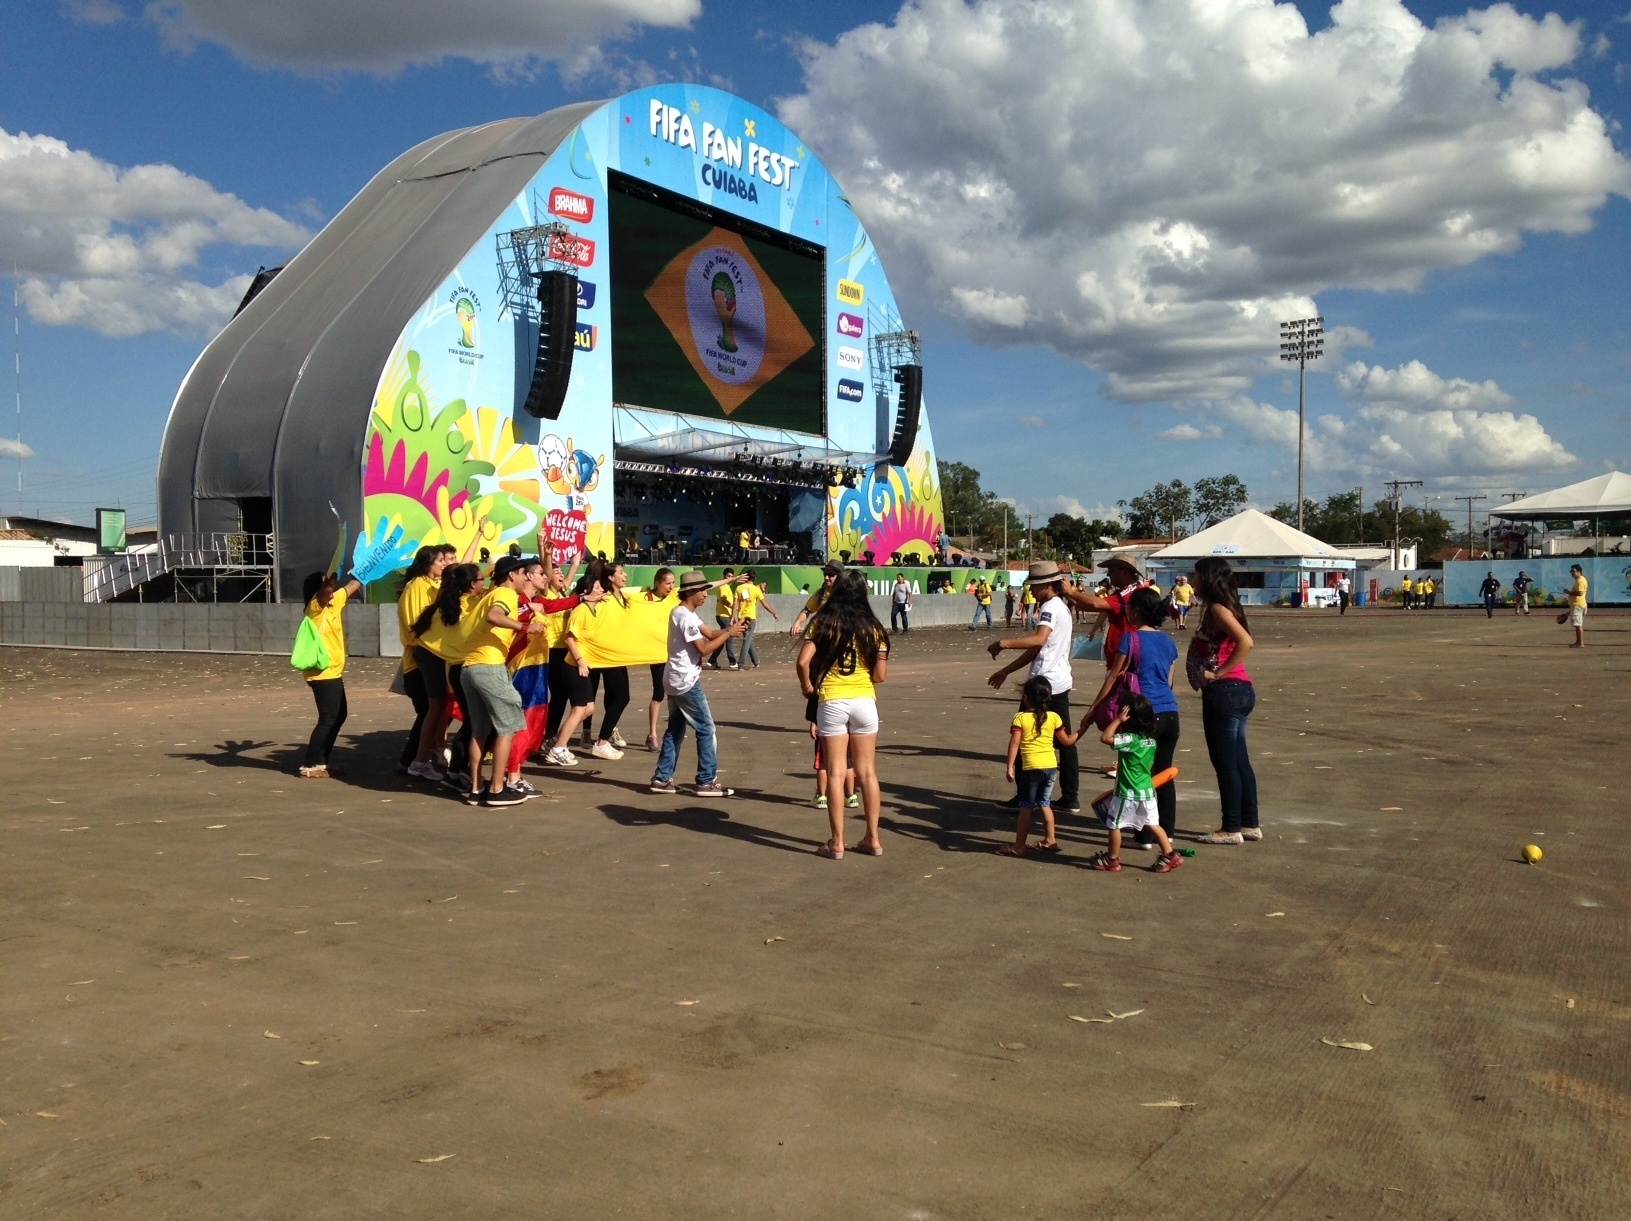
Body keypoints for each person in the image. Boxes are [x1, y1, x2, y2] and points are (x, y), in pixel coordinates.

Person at [798, 569, 889, 858]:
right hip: (864, 700)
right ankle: (872, 839)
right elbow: (880, 676)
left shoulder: (823, 622)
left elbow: (802, 662)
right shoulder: (873, 627)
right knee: (868, 773)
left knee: (836, 774)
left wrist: (808, 687)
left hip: (832, 700)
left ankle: (837, 842)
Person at [1085, 587, 1180, 847]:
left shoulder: (1131, 639)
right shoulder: (1169, 642)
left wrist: (1095, 707)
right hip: (1171, 712)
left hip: (1144, 714)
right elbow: (1170, 681)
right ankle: (1167, 832)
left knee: (1138, 773)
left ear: (1135, 611)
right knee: (1163, 773)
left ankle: (1146, 833)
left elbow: (1115, 675)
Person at [987, 561, 1083, 814]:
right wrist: (1006, 670)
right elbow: (1037, 649)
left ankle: (1024, 795)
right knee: (1064, 740)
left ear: (1046, 585)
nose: (1032, 591)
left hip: (1043, 682)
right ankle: (1070, 795)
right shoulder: (1060, 606)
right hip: (1059, 681)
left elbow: (1038, 640)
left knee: (1022, 735)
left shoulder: (1050, 607)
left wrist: (1003, 643)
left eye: (1035, 586)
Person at [455, 555, 547, 806]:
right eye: (522, 573)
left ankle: (476, 789)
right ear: (511, 576)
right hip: (489, 666)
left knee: (480, 730)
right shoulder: (505, 594)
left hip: (469, 668)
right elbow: (494, 617)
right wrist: (525, 628)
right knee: (509, 725)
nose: (525, 577)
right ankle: (496, 789)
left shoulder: (487, 596)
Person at [650, 570, 746, 797]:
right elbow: (703, 648)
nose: (706, 594)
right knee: (707, 728)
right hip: (685, 681)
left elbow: (712, 633)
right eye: (702, 591)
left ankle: (662, 779)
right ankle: (706, 781)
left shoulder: (685, 613)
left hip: (674, 679)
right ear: (690, 592)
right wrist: (729, 633)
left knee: (675, 730)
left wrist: (732, 630)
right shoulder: (684, 616)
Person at [1188, 556, 1258, 845]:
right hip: (1236, 692)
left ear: (1208, 578)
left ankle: (1231, 828)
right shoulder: (1219, 608)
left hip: (1226, 693)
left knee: (1226, 762)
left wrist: (1218, 673)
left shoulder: (1218, 609)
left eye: (1195, 576)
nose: (1191, 581)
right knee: (1239, 760)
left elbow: (1246, 642)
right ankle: (1249, 823)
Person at [1086, 694, 1183, 873]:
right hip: (1146, 791)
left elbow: (1105, 738)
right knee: (1153, 823)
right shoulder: (1151, 741)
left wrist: (1117, 720)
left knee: (1114, 824)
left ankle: (1112, 859)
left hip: (1127, 792)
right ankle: (1170, 854)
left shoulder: (1130, 740)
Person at [997, 676, 1085, 857]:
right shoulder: (1053, 717)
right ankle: (1050, 839)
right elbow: (1067, 741)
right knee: (1044, 803)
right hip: (1051, 767)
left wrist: (1010, 767)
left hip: (1031, 769)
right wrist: (1083, 727)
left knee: (1026, 808)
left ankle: (1019, 846)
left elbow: (1014, 743)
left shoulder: (1020, 718)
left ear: (1026, 698)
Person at [298, 570, 364, 778]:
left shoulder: (334, 603)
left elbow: (355, 585)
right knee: (328, 717)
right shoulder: (314, 608)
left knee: (339, 715)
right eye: (327, 584)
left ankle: (321, 762)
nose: (333, 589)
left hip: (333, 670)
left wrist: (366, 567)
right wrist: (330, 579)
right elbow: (326, 591)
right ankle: (310, 765)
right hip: (321, 671)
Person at [396, 544, 451, 778]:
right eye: (440, 560)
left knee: (437, 711)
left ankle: (426, 756)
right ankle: (410, 761)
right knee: (429, 711)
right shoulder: (417, 585)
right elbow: (414, 626)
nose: (444, 563)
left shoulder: (435, 585)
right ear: (427, 563)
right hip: (420, 661)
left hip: (435, 657)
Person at [643, 567, 677, 751]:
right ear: (658, 583)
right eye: (667, 583)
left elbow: (702, 586)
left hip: (675, 653)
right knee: (659, 693)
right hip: (656, 653)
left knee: (676, 693)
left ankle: (673, 731)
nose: (671, 586)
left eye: (673, 583)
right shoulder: (645, 598)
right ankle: (653, 734)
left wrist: (730, 580)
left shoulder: (675, 596)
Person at [733, 570, 779, 667]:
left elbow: (735, 603)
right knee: (747, 640)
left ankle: (756, 661)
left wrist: (733, 617)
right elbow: (765, 604)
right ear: (755, 578)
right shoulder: (756, 590)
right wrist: (774, 612)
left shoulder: (739, 588)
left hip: (741, 617)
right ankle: (741, 663)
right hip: (751, 618)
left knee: (748, 639)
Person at [790, 563, 841, 637]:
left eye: (831, 575)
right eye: (825, 574)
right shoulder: (821, 593)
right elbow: (807, 610)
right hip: (823, 635)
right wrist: (797, 622)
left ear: (840, 576)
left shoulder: (848, 594)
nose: (826, 577)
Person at [712, 567, 738, 669]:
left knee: (722, 640)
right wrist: (732, 606)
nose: (730, 578)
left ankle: (712, 660)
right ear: (724, 577)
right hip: (723, 616)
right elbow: (723, 599)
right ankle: (732, 661)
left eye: (732, 576)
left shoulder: (726, 586)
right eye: (728, 576)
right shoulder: (724, 586)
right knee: (729, 638)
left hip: (724, 616)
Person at [1566, 563, 1588, 647]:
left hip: (1578, 605)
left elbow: (1580, 593)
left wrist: (1568, 592)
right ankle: (1579, 642)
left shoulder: (1580, 581)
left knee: (1578, 624)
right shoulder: (1580, 580)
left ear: (1579, 571)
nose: (1572, 573)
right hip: (1579, 604)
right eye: (1571, 571)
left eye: (1573, 571)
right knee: (1578, 624)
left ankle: (1580, 642)